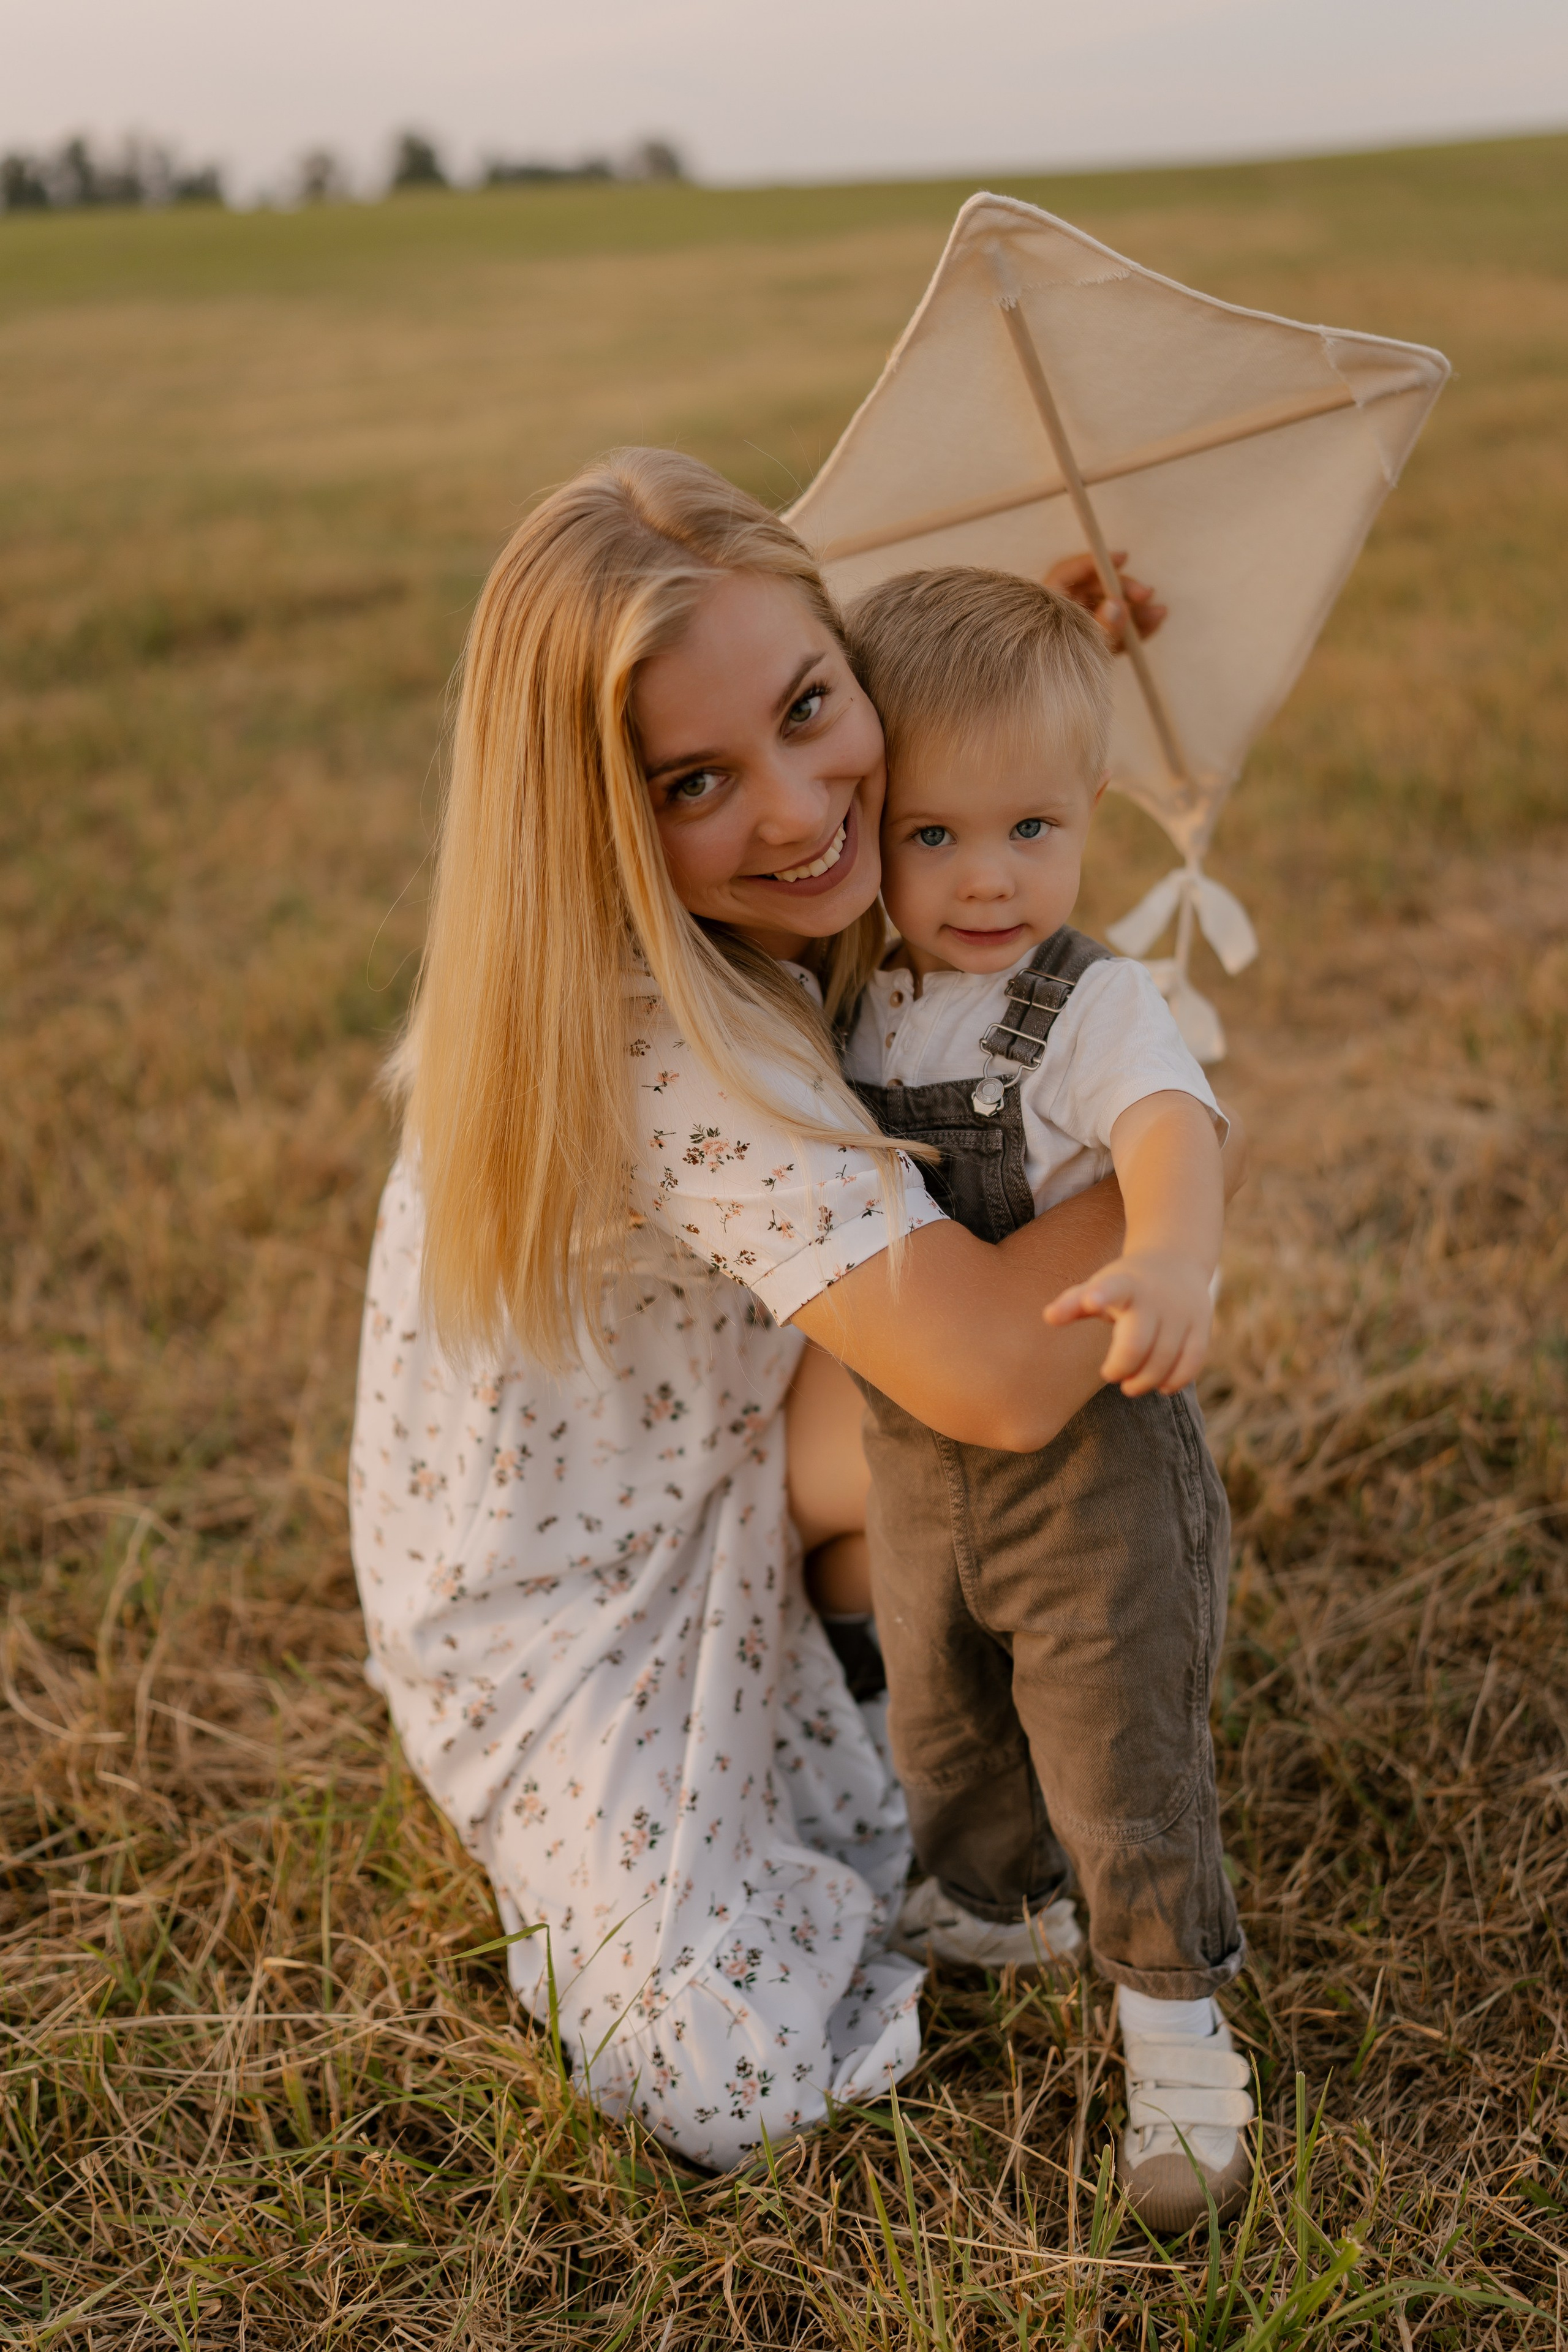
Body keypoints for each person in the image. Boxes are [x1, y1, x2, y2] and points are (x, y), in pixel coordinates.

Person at [348, 445, 1238, 2172]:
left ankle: (940, 1638)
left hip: (742, 1418)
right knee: (716, 2058)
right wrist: (1176, 1148)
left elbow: (964, 898)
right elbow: (986, 1371)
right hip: (573, 1571)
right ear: (601, 819)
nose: (793, 805)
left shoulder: (791, 882)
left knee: (1067, 1362)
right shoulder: (656, 1027)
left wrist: (1022, 709)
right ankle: (877, 1638)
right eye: (695, 780)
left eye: (817, 705)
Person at [807, 565, 1251, 2230]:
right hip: (919, 1464)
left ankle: (1178, 2033)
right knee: (942, 1709)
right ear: (874, 834)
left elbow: (1166, 1126)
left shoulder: (1092, 998)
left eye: (1036, 829)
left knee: (1115, 1749)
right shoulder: (862, 991)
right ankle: (996, 1905)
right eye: (934, 836)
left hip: (1093, 1475)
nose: (990, 878)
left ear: (1092, 814)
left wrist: (1174, 1259)